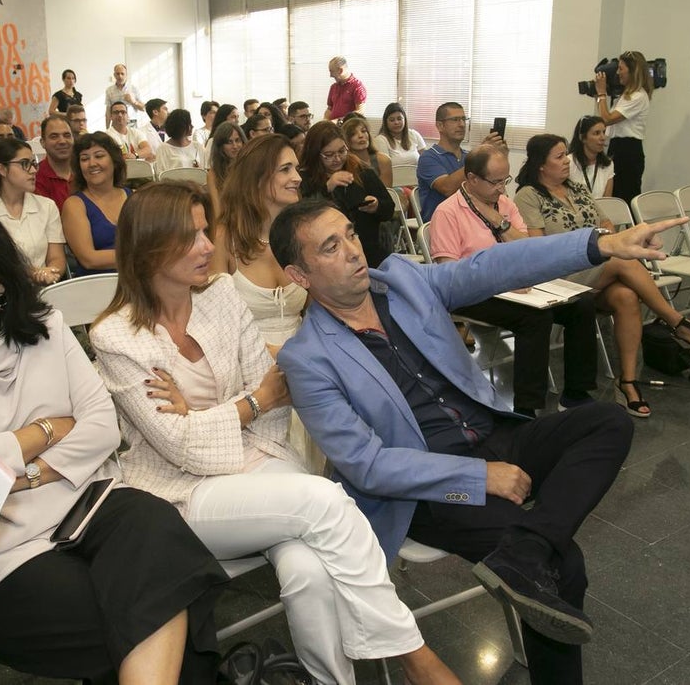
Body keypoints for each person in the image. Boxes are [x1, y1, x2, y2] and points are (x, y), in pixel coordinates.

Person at [271, 199, 690, 685]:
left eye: (350, 233)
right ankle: (537, 559)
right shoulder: (308, 357)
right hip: (432, 489)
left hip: (495, 435)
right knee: (564, 563)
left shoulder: (403, 281)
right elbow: (368, 465)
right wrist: (477, 479)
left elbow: (493, 265)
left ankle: (526, 551)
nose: (352, 250)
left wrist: (600, 244)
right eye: (330, 247)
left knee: (606, 422)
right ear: (298, 274)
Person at [90, 181, 460, 685]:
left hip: (261, 460)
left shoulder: (220, 294)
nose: (206, 246)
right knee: (324, 500)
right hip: (180, 496)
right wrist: (248, 402)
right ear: (149, 245)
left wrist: (212, 416)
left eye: (205, 231)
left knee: (310, 571)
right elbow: (183, 444)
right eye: (190, 237)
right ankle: (415, 656)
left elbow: (273, 403)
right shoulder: (115, 336)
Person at [0, 206, 227, 682]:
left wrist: (10, 469)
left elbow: (104, 426)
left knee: (156, 526)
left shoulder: (46, 327)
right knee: (151, 602)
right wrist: (48, 430)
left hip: (82, 502)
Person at [514, 134, 690, 418]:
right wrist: (595, 245)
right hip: (559, 272)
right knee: (621, 260)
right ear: (541, 165)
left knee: (626, 296)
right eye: (559, 157)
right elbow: (537, 246)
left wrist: (603, 242)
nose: (567, 161)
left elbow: (606, 223)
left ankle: (628, 383)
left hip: (598, 267)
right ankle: (676, 321)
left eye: (566, 155)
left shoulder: (576, 188)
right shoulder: (528, 195)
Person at [430, 144, 597, 417]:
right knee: (535, 318)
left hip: (516, 285)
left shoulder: (504, 205)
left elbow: (529, 250)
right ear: (471, 179)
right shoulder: (448, 212)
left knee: (583, 303)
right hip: (472, 292)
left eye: (504, 180)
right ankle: (526, 410)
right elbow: (449, 275)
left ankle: (576, 393)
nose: (501, 188)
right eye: (495, 182)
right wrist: (499, 280)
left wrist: (499, 221)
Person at [211, 134, 322, 471]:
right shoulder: (224, 238)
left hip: (303, 360)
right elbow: (215, 322)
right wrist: (286, 356)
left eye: (297, 168)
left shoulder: (300, 238)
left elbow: (317, 311)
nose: (298, 178)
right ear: (259, 179)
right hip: (245, 367)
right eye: (285, 169)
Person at [300, 120, 394, 268]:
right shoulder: (304, 177)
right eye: (329, 155)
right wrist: (327, 188)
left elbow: (389, 209)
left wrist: (376, 206)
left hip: (369, 250)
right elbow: (302, 215)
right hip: (329, 256)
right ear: (314, 154)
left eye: (342, 151)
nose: (337, 159)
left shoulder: (361, 170)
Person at [0, 137, 66, 285]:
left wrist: (50, 272)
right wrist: (33, 273)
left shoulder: (47, 206)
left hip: (44, 291)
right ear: (2, 169)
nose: (34, 170)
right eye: (24, 164)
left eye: (33, 163)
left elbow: (57, 258)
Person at [416, 101, 507, 222]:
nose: (462, 124)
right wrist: (479, 156)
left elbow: (490, 190)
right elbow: (447, 188)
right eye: (455, 120)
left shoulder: (468, 156)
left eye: (464, 119)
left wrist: (501, 156)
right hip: (443, 223)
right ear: (440, 126)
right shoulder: (429, 157)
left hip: (474, 220)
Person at [61, 132, 131, 275]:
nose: (92, 164)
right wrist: (142, 256)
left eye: (99, 156)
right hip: (96, 287)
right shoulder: (74, 204)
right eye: (84, 159)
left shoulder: (132, 196)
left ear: (114, 160)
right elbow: (89, 259)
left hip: (136, 281)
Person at [594, 50, 653, 202]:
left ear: (633, 72)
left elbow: (606, 119)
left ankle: (634, 227)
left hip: (628, 151)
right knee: (614, 198)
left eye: (621, 68)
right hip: (617, 148)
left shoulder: (638, 96)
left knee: (625, 199)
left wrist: (601, 94)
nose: (618, 73)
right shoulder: (625, 96)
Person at [34, 113, 76, 211]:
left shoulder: (84, 171)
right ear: (42, 143)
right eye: (54, 136)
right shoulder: (35, 178)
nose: (62, 141)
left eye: (67, 135)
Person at [569, 115, 616, 199]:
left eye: (604, 132)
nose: (603, 137)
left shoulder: (608, 164)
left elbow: (607, 201)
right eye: (597, 133)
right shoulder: (568, 162)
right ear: (583, 138)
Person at [206, 120, 246, 217]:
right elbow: (217, 211)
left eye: (237, 140)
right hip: (227, 220)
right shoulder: (213, 174)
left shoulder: (251, 166)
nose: (235, 146)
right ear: (220, 146)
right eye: (229, 142)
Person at [153, 109, 207, 176]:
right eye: (189, 124)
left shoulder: (197, 146)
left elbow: (204, 172)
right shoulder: (163, 148)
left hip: (196, 185)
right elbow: (161, 176)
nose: (192, 126)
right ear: (180, 126)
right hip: (174, 185)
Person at [374, 102, 428, 168]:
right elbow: (384, 168)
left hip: (417, 177)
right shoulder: (380, 140)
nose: (396, 122)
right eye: (392, 120)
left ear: (404, 119)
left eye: (399, 119)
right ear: (386, 122)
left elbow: (426, 160)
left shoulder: (414, 134)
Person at [343, 116, 392, 188]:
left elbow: (386, 193)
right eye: (353, 134)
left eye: (363, 131)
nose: (360, 136)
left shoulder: (383, 160)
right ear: (346, 140)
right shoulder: (343, 163)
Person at [324, 57, 367, 121]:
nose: (330, 75)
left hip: (348, 128)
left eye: (332, 71)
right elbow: (329, 109)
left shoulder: (357, 86)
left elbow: (360, 111)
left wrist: (338, 121)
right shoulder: (333, 87)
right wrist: (325, 120)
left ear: (340, 70)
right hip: (333, 128)